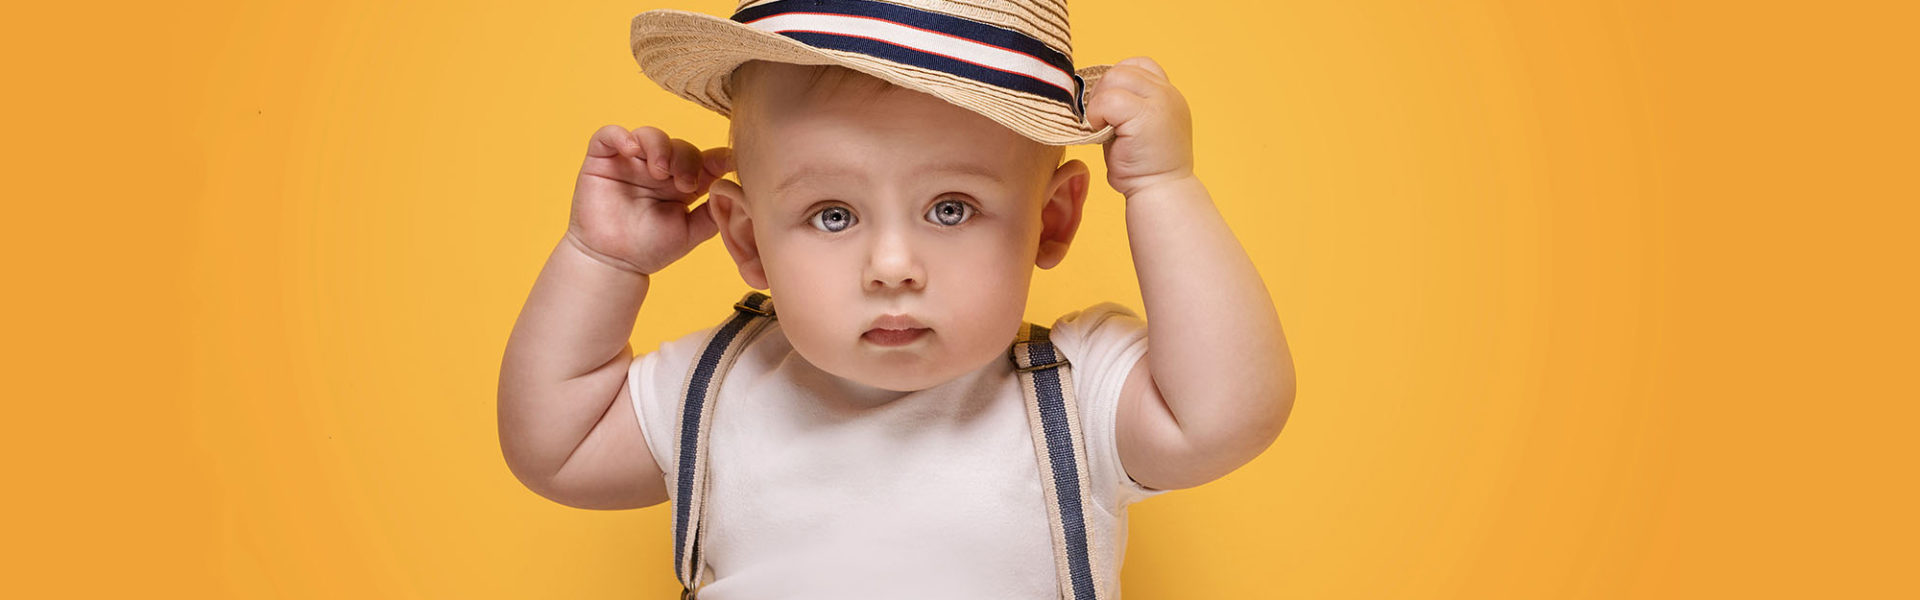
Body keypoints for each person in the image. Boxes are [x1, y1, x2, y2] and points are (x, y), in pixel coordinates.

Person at [499, 1, 1294, 597]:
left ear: (1050, 220)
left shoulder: (1072, 391)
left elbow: (1226, 413)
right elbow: (555, 450)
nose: (891, 266)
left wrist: (1162, 188)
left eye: (950, 209)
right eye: (832, 214)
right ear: (746, 239)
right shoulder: (719, 385)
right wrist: (603, 261)